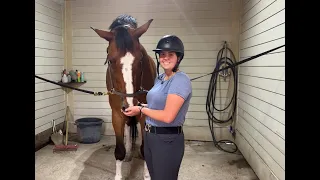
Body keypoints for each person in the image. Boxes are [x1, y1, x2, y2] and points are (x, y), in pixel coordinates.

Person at [122, 35, 192, 180]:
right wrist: (140, 105)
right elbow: (157, 105)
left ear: (178, 58)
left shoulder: (181, 80)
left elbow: (167, 116)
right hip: (150, 137)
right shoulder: (160, 78)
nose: (165, 58)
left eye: (170, 54)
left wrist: (141, 110)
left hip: (167, 139)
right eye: (162, 54)